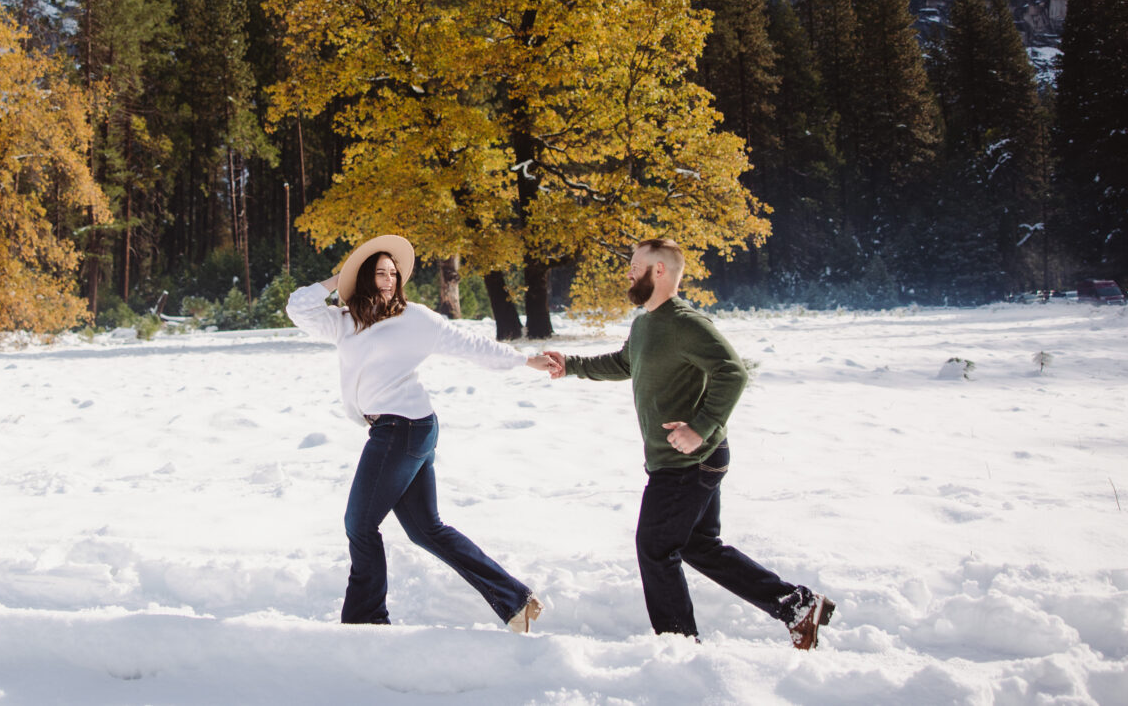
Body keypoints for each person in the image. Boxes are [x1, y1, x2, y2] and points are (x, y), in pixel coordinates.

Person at [541, 238, 835, 649]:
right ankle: (796, 605)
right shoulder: (646, 322)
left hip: (690, 461)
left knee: (656, 548)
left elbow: (733, 373)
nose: (628, 272)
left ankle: (677, 648)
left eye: (636, 265)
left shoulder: (686, 322)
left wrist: (701, 426)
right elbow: (626, 362)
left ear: (659, 271)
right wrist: (571, 365)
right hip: (679, 459)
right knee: (699, 545)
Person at [287, 234, 556, 631]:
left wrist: (524, 360)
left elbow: (470, 344)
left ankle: (367, 621)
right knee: (426, 530)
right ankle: (516, 600)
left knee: (359, 524)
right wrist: (337, 278)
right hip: (397, 429)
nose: (389, 279)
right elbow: (298, 307)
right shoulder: (345, 323)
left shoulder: (415, 318)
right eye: (380, 273)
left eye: (393, 273)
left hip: (404, 428)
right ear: (362, 277)